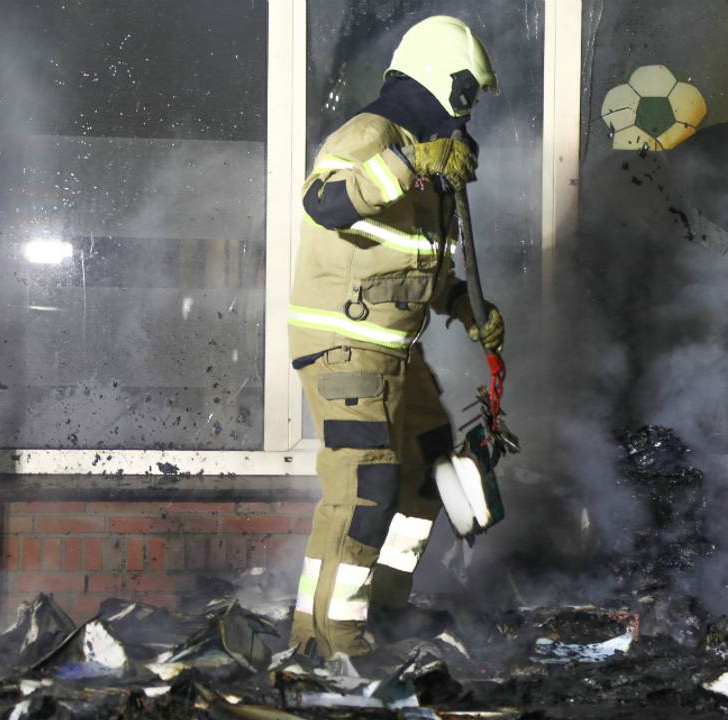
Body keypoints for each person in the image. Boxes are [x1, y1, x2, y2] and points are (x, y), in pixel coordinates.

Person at [286, 15, 504, 658]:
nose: (466, 113)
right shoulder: (372, 134)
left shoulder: (425, 154)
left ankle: (376, 608)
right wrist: (409, 163)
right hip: (346, 349)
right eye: (465, 94)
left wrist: (467, 306)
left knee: (428, 473)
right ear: (439, 79)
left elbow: (414, 262)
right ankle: (331, 636)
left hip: (394, 352)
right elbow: (323, 202)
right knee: (366, 490)